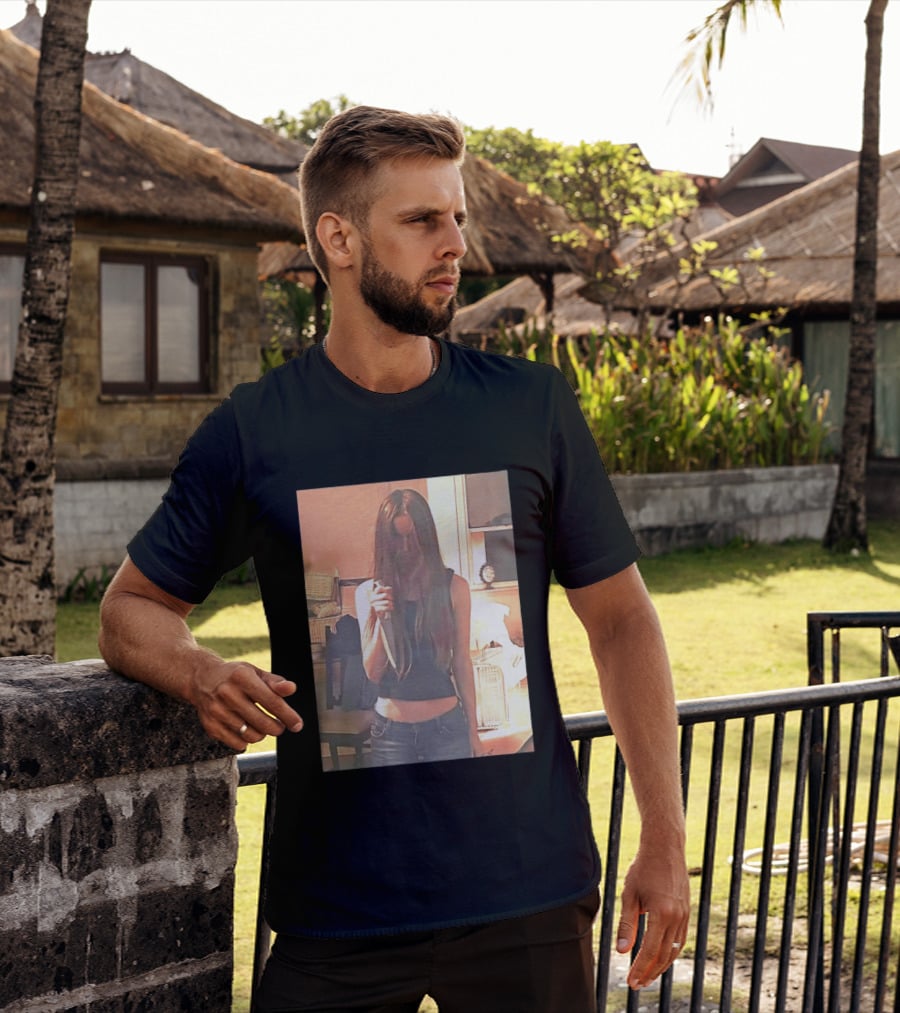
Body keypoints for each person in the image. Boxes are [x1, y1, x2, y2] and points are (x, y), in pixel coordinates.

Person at [99, 104, 690, 1012]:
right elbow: (127, 610)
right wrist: (200, 671)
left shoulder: (529, 407)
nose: (455, 243)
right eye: (421, 220)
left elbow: (621, 621)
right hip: (337, 910)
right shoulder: (256, 432)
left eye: (457, 216)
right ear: (338, 238)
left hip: (529, 893)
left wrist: (664, 837)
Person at [354, 488, 483, 767]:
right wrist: (381, 617)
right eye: (396, 538)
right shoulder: (368, 592)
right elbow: (373, 673)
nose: (405, 548)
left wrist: (473, 730)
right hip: (391, 734)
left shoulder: (454, 587)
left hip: (447, 730)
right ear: (385, 540)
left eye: (412, 538)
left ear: (426, 536)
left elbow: (462, 660)